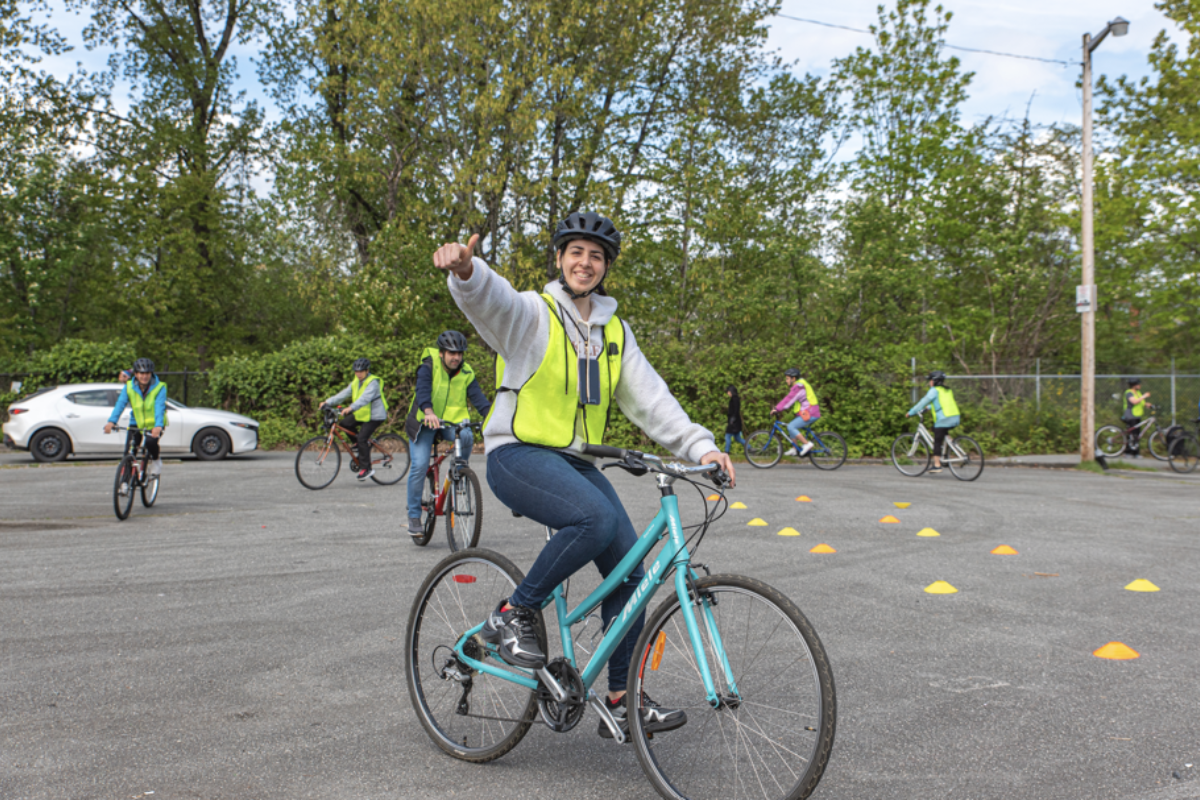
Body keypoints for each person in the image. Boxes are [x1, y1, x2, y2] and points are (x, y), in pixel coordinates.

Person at [432, 211, 736, 740]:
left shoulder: (615, 333)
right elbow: (494, 300)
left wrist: (700, 445)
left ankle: (621, 699)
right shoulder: (534, 313)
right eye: (576, 251)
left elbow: (652, 399)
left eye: (596, 256)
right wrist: (468, 272)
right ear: (559, 258)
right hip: (518, 454)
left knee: (631, 572)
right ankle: (515, 614)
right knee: (593, 518)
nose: (585, 262)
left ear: (605, 267)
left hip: (576, 462)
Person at [403, 331, 492, 535]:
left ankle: (460, 470)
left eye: (460, 353)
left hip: (450, 423)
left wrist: (491, 417)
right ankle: (414, 515)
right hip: (425, 422)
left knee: (468, 435)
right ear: (442, 353)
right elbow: (422, 390)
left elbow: (479, 400)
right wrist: (428, 411)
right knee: (419, 465)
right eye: (452, 353)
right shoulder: (429, 365)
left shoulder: (466, 372)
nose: (456, 358)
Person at [320, 358, 389, 480]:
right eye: (356, 371)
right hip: (362, 413)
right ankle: (359, 443)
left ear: (367, 371)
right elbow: (344, 393)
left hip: (375, 416)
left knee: (362, 438)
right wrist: (327, 402)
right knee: (345, 424)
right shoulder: (356, 382)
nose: (358, 374)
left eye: (361, 371)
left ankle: (366, 469)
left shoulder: (373, 383)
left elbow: (364, 399)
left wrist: (350, 408)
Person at [104, 358, 166, 476]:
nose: (144, 376)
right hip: (135, 422)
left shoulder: (160, 387)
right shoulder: (129, 387)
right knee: (129, 452)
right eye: (141, 373)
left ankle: (156, 460)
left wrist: (158, 425)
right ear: (136, 374)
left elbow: (159, 407)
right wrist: (111, 422)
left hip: (154, 423)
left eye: (147, 373)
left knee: (150, 442)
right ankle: (125, 484)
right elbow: (120, 404)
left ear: (151, 373)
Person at [907, 370, 960, 474]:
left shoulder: (934, 390)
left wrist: (911, 412)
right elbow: (943, 403)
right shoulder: (947, 390)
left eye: (930, 380)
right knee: (940, 432)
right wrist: (929, 408)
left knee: (937, 439)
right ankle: (953, 449)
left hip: (945, 419)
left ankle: (937, 465)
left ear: (934, 381)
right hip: (955, 417)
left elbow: (922, 402)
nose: (929, 382)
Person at [772, 367, 821, 456]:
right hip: (808, 412)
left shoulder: (799, 387)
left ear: (793, 378)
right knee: (791, 426)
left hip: (811, 413)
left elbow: (789, 399)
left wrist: (777, 408)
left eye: (787, 379)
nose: (786, 381)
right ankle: (795, 449)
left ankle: (807, 444)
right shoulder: (800, 385)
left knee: (791, 426)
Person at [1122, 378, 1152, 455]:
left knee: (1137, 435)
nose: (1140, 385)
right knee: (1132, 434)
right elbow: (1134, 402)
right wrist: (1144, 396)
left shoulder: (1138, 392)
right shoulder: (1129, 393)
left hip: (1137, 415)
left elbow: (1140, 402)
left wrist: (1147, 405)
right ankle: (1128, 452)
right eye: (1138, 384)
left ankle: (1135, 452)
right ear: (1134, 385)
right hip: (1131, 415)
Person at [723, 385, 746, 454]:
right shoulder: (735, 399)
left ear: (731, 392)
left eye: (728, 392)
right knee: (737, 438)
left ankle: (726, 451)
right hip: (735, 422)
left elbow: (736, 410)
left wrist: (732, 419)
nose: (728, 393)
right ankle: (749, 448)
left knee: (727, 436)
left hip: (733, 422)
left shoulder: (734, 399)